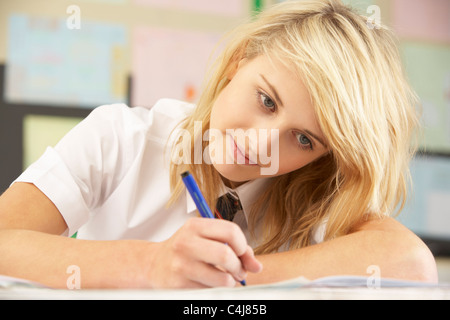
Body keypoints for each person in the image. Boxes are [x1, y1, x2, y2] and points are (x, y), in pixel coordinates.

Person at [0, 0, 438, 289]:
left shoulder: (313, 190)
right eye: (267, 100)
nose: (262, 141)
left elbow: (412, 264)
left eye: (304, 139)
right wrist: (150, 267)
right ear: (237, 61)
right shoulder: (120, 139)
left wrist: (230, 283)